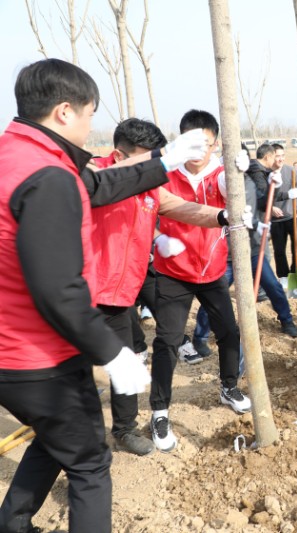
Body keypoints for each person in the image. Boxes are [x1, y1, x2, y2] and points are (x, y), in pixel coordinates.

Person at [0, 58, 152, 533]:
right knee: (89, 464)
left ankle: (14, 522)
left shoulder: (15, 154)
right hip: (37, 356)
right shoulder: (48, 177)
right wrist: (113, 353)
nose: (92, 125)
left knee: (54, 436)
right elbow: (58, 289)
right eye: (90, 113)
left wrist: (161, 166)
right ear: (65, 112)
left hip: (11, 346)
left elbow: (100, 184)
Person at [91, 118, 229, 456]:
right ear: (120, 157)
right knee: (96, 362)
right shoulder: (94, 175)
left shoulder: (149, 183)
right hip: (93, 288)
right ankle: (90, 432)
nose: (155, 167)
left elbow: (179, 207)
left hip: (129, 284)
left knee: (128, 358)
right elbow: (96, 189)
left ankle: (125, 427)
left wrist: (222, 217)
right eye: (149, 158)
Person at [149, 109, 253, 453]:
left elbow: (230, 188)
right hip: (172, 272)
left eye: (206, 145)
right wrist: (155, 242)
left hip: (210, 272)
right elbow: (147, 211)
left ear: (216, 144)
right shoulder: (166, 175)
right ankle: (160, 411)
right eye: (192, 145)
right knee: (167, 342)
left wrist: (243, 169)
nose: (199, 153)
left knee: (229, 332)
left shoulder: (222, 174)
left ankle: (228, 386)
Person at [192, 142, 297, 356]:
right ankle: (200, 337)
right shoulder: (214, 183)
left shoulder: (248, 181)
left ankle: (287, 320)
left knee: (273, 287)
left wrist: (272, 187)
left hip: (251, 249)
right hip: (226, 255)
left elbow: (261, 202)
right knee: (215, 295)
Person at [269, 143, 297, 282]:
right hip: (276, 220)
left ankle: (296, 272)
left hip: (293, 215)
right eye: (277, 156)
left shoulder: (291, 170)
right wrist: (271, 208)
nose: (280, 159)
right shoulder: (266, 173)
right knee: (279, 250)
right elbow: (261, 196)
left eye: (282, 156)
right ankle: (283, 276)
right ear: (271, 157)